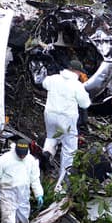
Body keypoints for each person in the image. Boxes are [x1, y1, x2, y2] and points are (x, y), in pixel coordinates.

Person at [42, 59, 91, 190]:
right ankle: (61, 185)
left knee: (51, 137)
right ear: (78, 72)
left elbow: (44, 83)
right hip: (66, 118)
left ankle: (46, 155)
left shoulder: (53, 78)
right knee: (69, 148)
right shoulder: (77, 85)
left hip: (50, 114)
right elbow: (85, 104)